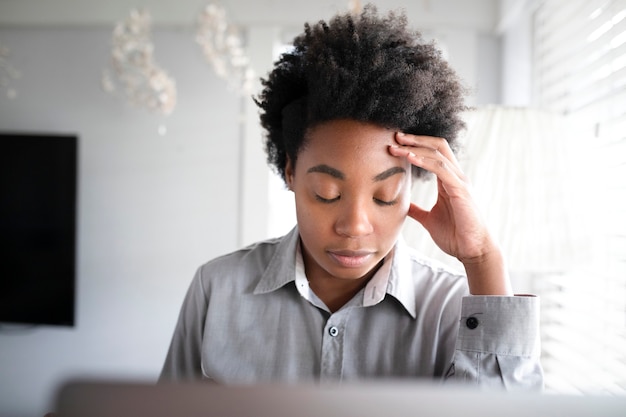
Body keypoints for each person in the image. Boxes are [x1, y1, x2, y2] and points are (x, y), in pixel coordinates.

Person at [160, 5, 543, 389]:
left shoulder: (456, 308)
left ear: (413, 183)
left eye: (385, 195)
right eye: (327, 194)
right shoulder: (217, 287)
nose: (354, 226)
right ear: (291, 171)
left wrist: (482, 257)